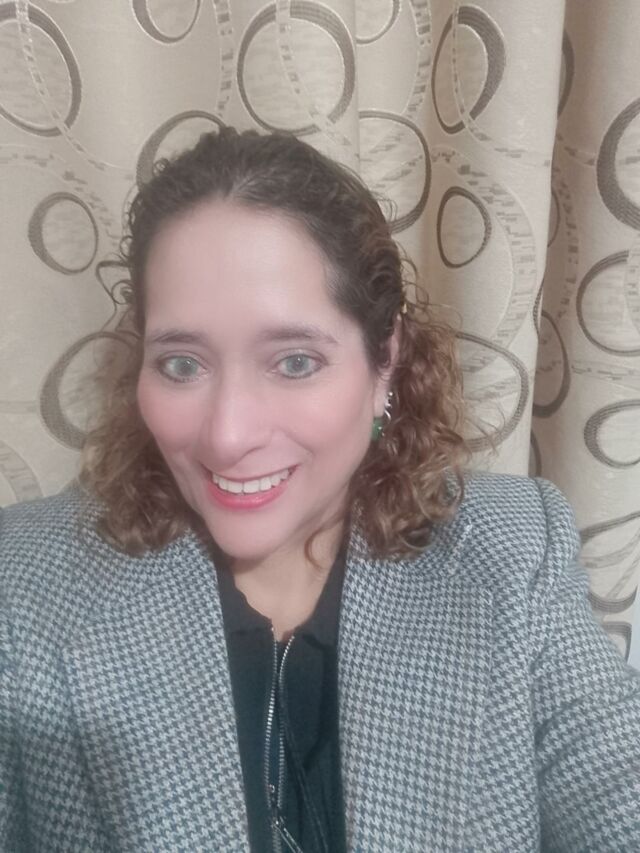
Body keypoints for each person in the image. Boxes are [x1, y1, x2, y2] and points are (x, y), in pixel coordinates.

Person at [1, 127, 639, 853]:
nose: (227, 436)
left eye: (295, 361)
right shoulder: (23, 578)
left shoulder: (512, 551)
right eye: (181, 364)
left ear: (384, 361)